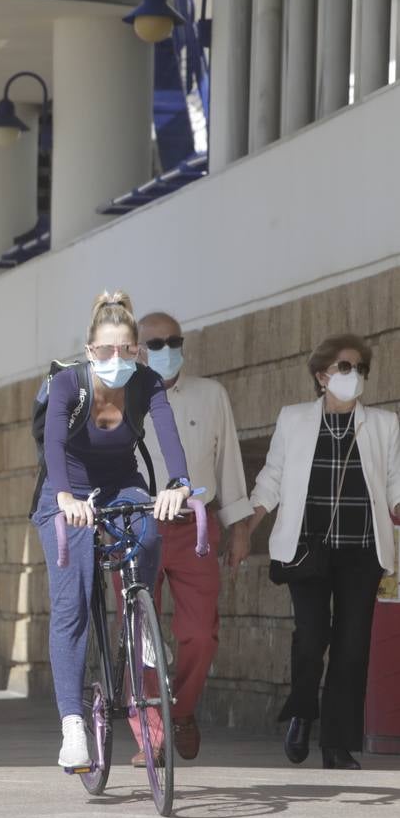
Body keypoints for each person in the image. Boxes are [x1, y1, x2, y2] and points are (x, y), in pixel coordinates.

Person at [32, 292, 191, 770]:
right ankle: (73, 727)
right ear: (89, 350)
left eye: (126, 349)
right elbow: (54, 445)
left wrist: (178, 485)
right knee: (73, 599)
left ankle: (140, 624)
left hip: (121, 482)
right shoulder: (67, 383)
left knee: (149, 531)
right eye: (106, 350)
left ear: (138, 350)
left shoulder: (147, 383)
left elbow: (167, 433)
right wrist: (64, 498)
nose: (116, 359)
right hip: (65, 491)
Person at [246, 334, 400, 770]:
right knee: (312, 639)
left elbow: (395, 481)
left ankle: (336, 743)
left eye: (359, 369)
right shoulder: (293, 420)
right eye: (345, 367)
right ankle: (300, 712)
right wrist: (247, 526)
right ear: (322, 376)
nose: (354, 376)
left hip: (362, 551)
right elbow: (272, 477)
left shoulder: (385, 424)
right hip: (307, 548)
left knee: (352, 648)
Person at [127, 312, 253, 765]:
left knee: (200, 634)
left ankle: (180, 711)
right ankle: (151, 734)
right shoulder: (123, 395)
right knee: (140, 632)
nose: (165, 349)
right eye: (154, 343)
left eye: (173, 341)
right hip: (137, 524)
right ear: (137, 347)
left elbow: (229, 465)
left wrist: (239, 527)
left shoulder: (210, 395)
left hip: (194, 525)